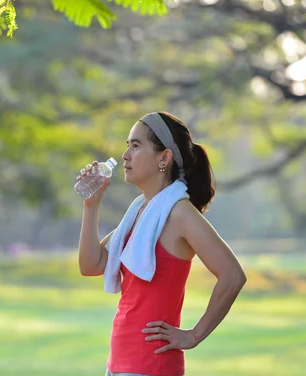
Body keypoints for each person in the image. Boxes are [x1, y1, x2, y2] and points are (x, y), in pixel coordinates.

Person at [77, 111, 247, 376]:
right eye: (127, 146)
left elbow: (233, 275)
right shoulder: (138, 214)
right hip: (120, 364)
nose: (125, 156)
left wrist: (193, 335)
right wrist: (91, 205)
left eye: (136, 146)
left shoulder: (180, 213)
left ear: (164, 158)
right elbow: (91, 264)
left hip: (152, 367)